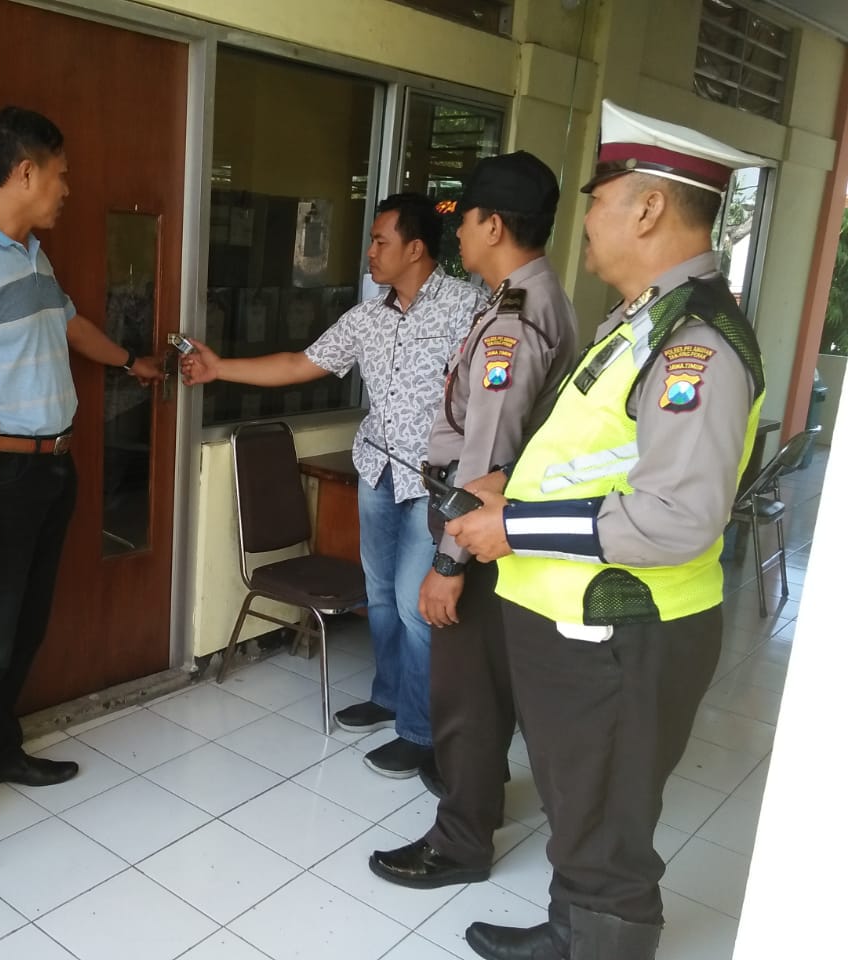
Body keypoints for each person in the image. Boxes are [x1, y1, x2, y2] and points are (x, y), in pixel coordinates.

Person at [447, 101, 768, 960]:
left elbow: (677, 516)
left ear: (649, 208)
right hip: (581, 620)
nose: (583, 221)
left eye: (596, 200)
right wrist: (510, 483)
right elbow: (600, 457)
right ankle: (575, 931)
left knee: (605, 817)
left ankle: (599, 941)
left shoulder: (694, 342)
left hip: (622, 626)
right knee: (583, 801)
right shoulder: (641, 321)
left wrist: (515, 524)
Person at [0, 106, 162, 872]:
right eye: (60, 174)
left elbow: (69, 325)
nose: (67, 189)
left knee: (23, 632)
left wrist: (128, 363)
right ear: (24, 172)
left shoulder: (31, 256)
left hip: (50, 470)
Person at [180, 193, 481, 778]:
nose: (370, 252)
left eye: (381, 241)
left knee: (416, 606)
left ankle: (421, 731)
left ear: (416, 248)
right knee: (381, 597)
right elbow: (301, 363)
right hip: (378, 472)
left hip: (435, 484)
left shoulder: (468, 309)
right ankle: (388, 696)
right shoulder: (369, 316)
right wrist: (220, 369)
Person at [368, 152, 578, 889]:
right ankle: (479, 797)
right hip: (497, 524)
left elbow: (486, 453)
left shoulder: (512, 321)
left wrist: (447, 565)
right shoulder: (530, 298)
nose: (456, 234)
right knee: (484, 683)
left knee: (465, 690)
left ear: (494, 225)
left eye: (465, 221)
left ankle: (459, 841)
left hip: (478, 531)